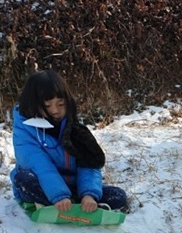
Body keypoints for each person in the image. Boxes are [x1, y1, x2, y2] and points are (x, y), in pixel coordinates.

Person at [10, 70, 129, 211]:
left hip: (72, 186)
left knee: (118, 196)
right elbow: (40, 165)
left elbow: (89, 164)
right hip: (42, 184)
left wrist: (89, 194)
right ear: (34, 105)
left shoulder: (74, 127)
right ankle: (58, 202)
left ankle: (77, 202)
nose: (55, 110)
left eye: (61, 104)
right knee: (23, 180)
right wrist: (59, 195)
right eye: (47, 106)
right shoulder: (25, 130)